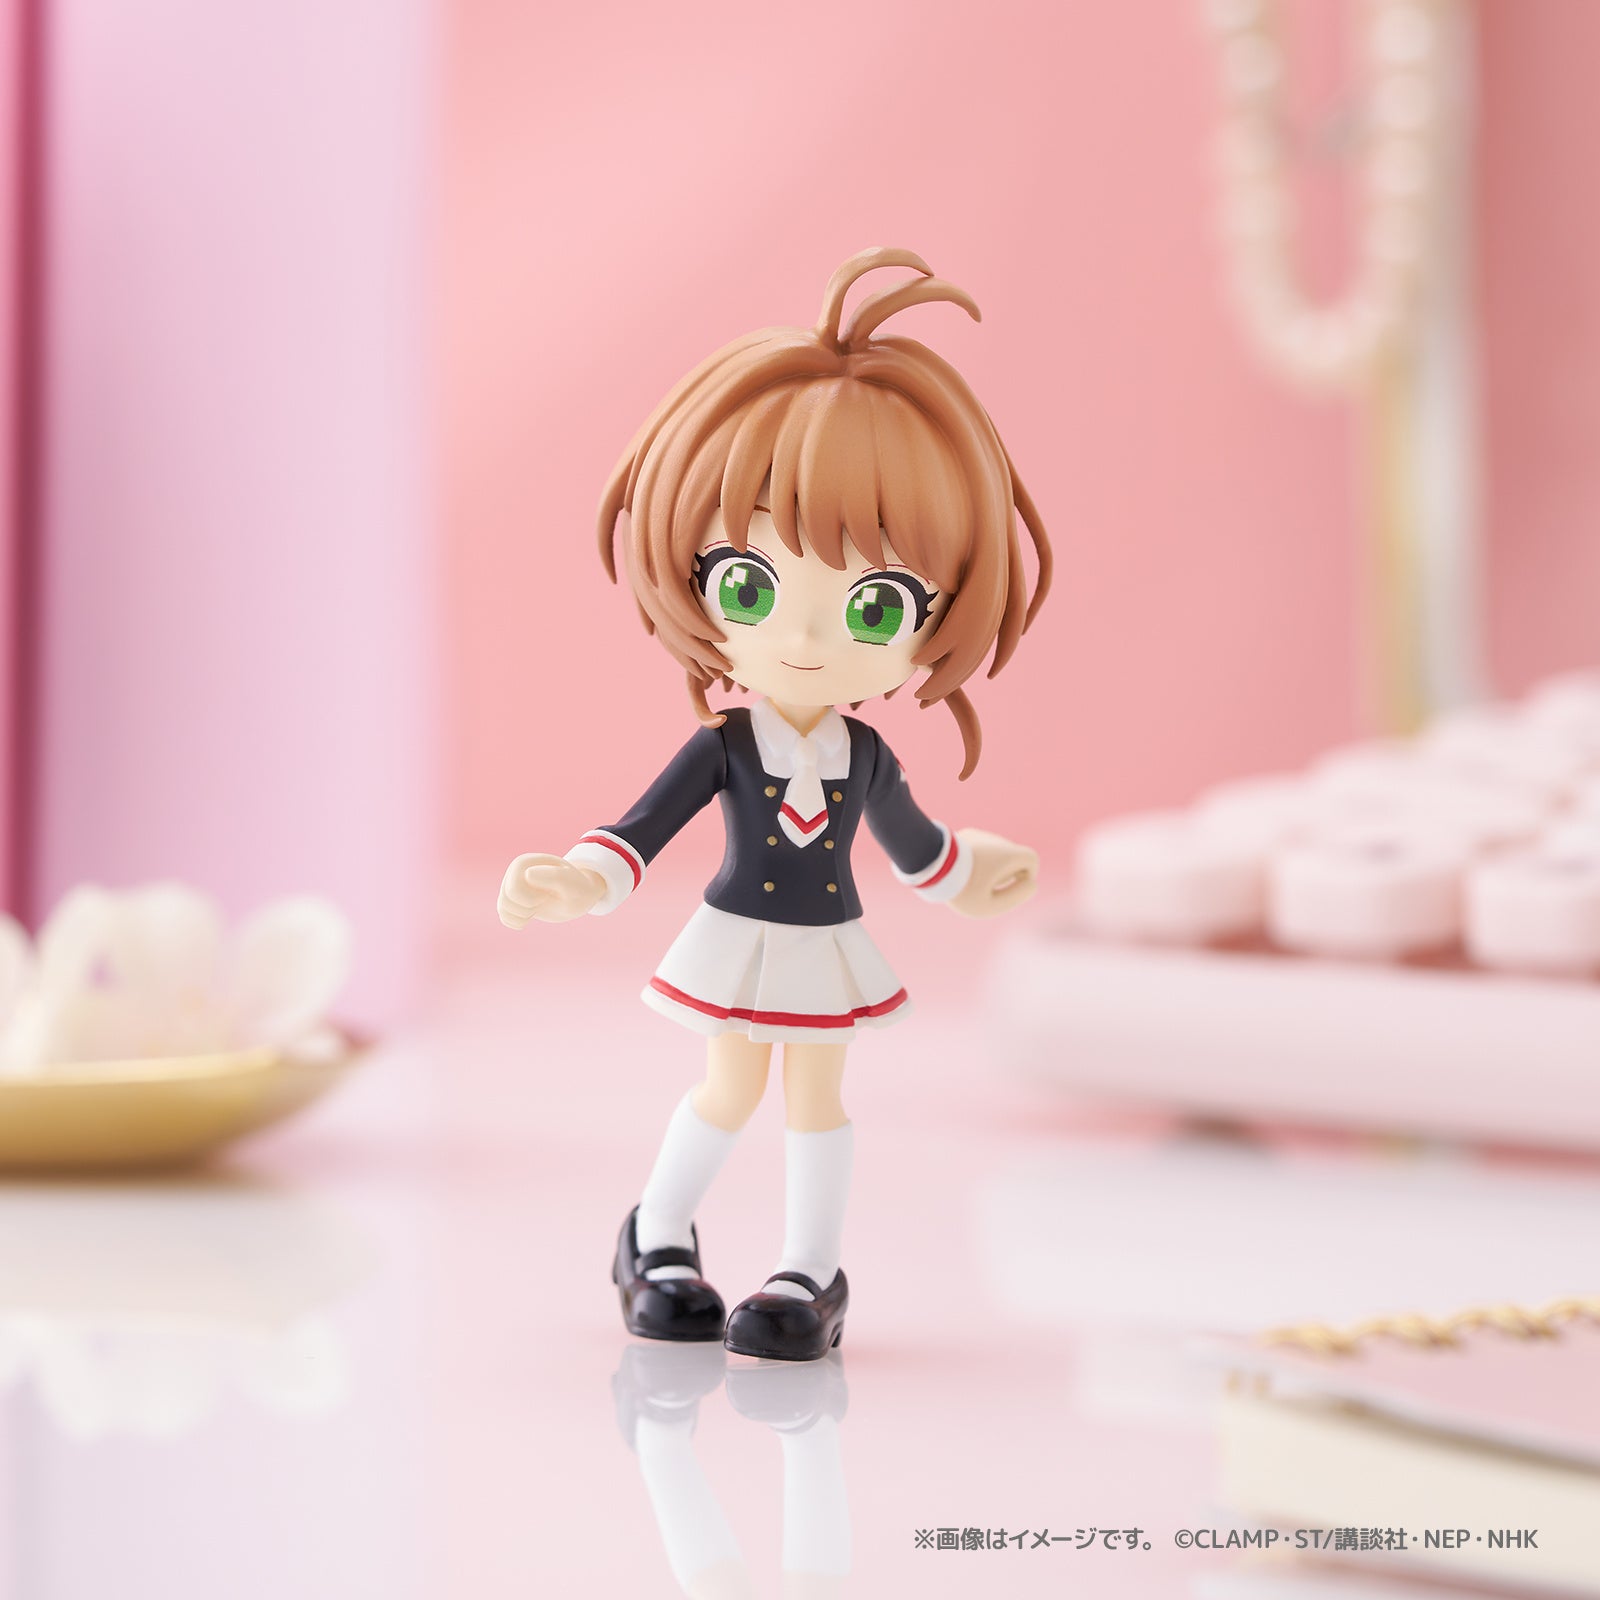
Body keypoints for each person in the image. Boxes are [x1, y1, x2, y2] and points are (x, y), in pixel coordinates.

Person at [497, 247, 1052, 1361]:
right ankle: (657, 1235)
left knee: (817, 1100)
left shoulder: (865, 755)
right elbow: (641, 830)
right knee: (727, 1086)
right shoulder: (727, 745)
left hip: (825, 943)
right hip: (739, 939)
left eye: (873, 604)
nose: (801, 636)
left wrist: (969, 874)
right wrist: (578, 880)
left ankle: (809, 1271)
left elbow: (913, 845)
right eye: (747, 585)